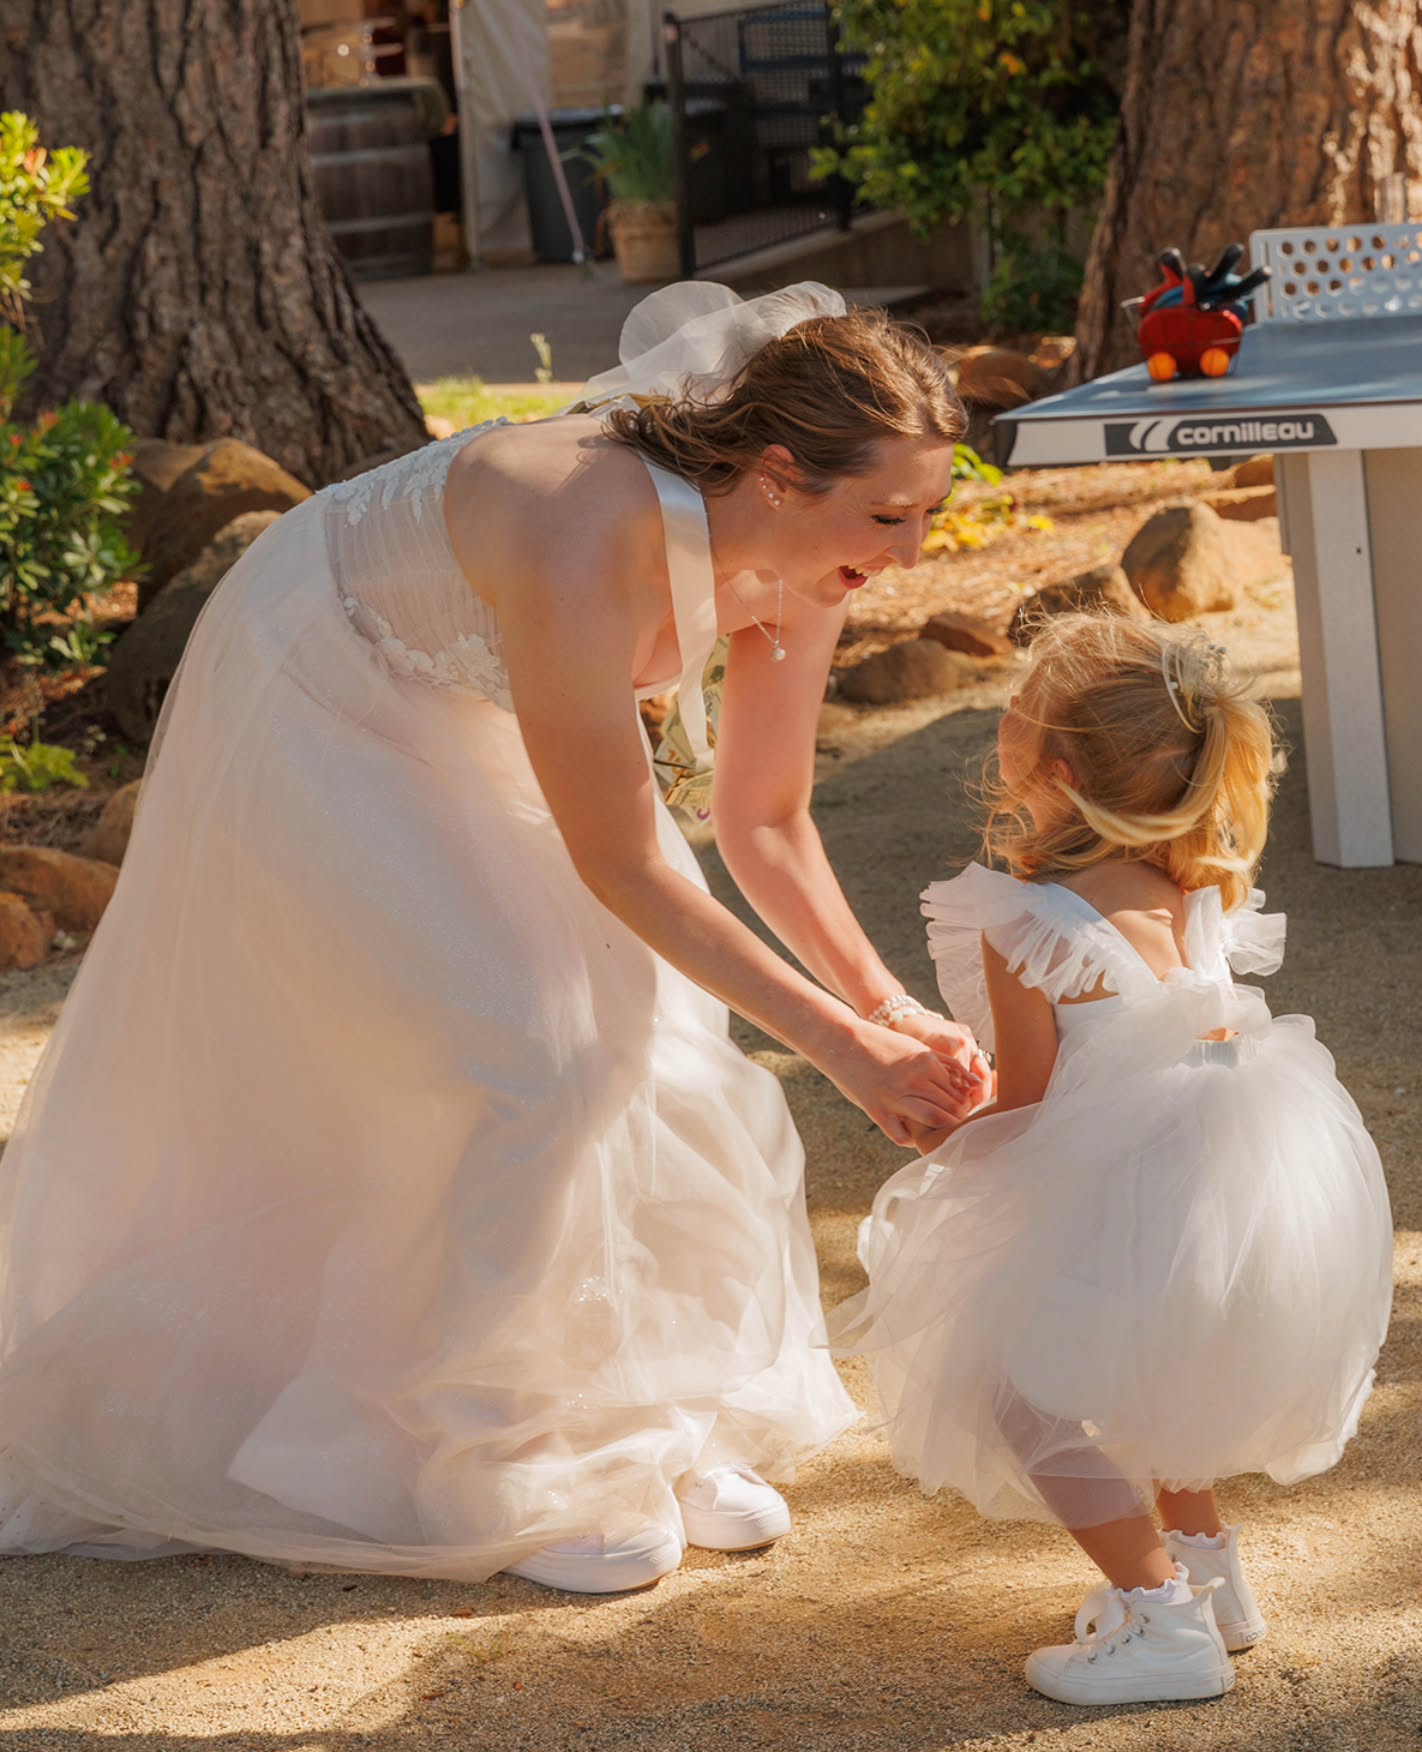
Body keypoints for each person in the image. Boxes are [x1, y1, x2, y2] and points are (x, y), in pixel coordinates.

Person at [0, 282, 991, 1594]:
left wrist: (890, 1015)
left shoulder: (814, 561)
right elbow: (626, 858)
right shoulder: (580, 526)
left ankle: (648, 1415)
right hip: (322, 674)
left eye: (928, 513)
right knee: (537, 1050)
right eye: (890, 513)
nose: (914, 550)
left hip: (455, 696)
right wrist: (844, 1055)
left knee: (660, 1039)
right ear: (777, 473)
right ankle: (482, 1459)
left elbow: (766, 820)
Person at [831, 612, 1392, 1703]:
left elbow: (1030, 1107)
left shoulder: (1027, 922)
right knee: (1159, 1375)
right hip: (1228, 1198)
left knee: (1018, 1390)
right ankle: (1211, 1579)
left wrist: (939, 1127)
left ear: (1051, 769)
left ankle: (1158, 1617)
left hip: (1114, 1191)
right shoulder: (1199, 886)